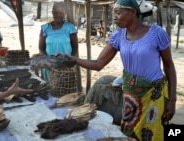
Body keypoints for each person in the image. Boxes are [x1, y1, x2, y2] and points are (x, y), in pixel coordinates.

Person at [60, 0, 177, 140]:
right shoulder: (118, 36)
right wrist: (73, 60)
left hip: (153, 96)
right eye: (114, 12)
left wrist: (172, 100)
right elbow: (98, 64)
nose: (114, 16)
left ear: (133, 12)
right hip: (131, 97)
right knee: (130, 134)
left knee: (153, 133)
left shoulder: (156, 33)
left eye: (118, 12)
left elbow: (169, 66)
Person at [38, 2, 78, 81]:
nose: (58, 15)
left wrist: (69, 62)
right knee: (49, 88)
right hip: (50, 66)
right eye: (56, 13)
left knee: (65, 88)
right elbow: (41, 48)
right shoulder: (44, 28)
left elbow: (75, 47)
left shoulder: (70, 28)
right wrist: (48, 61)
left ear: (65, 13)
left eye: (61, 13)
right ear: (52, 13)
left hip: (66, 66)